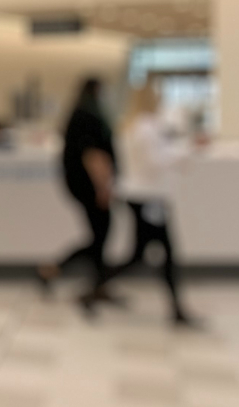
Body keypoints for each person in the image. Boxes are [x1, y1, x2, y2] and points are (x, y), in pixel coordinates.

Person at [115, 83, 202, 328]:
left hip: (142, 196)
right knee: (164, 253)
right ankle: (177, 310)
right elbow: (153, 162)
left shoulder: (135, 126)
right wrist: (183, 155)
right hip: (149, 198)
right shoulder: (144, 129)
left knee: (140, 254)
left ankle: (93, 290)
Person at [38, 77, 118, 313]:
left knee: (99, 235)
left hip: (81, 183)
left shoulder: (78, 112)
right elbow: (92, 154)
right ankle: (54, 269)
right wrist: (103, 186)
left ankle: (97, 283)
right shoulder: (89, 115)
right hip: (88, 185)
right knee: (100, 234)